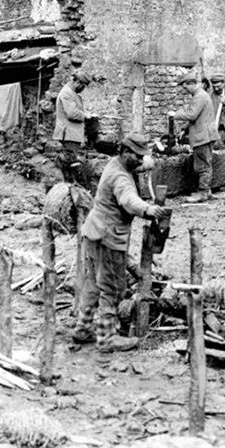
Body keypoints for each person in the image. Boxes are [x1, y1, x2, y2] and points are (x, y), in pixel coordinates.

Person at [71, 132, 167, 353]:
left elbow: (141, 164)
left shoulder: (115, 164)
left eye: (143, 157)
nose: (141, 161)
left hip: (94, 231)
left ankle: (82, 328)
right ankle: (106, 338)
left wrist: (146, 160)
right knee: (113, 288)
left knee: (93, 284)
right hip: (109, 237)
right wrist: (147, 209)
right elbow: (128, 200)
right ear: (125, 152)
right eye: (137, 156)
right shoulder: (121, 178)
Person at [168, 70, 215, 202]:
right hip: (204, 134)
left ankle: (203, 192)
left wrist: (174, 114)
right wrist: (184, 129)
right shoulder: (199, 95)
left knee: (202, 165)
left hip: (203, 136)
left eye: (186, 87)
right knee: (203, 163)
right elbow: (197, 117)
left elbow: (192, 114)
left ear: (191, 83)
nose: (186, 90)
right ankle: (207, 190)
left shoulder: (200, 96)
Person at [53, 70, 91, 186]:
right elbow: (71, 113)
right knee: (71, 162)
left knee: (69, 162)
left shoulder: (71, 92)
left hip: (72, 134)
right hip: (69, 134)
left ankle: (69, 186)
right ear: (77, 82)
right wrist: (85, 115)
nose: (83, 89)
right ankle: (71, 188)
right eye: (83, 86)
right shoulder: (67, 93)